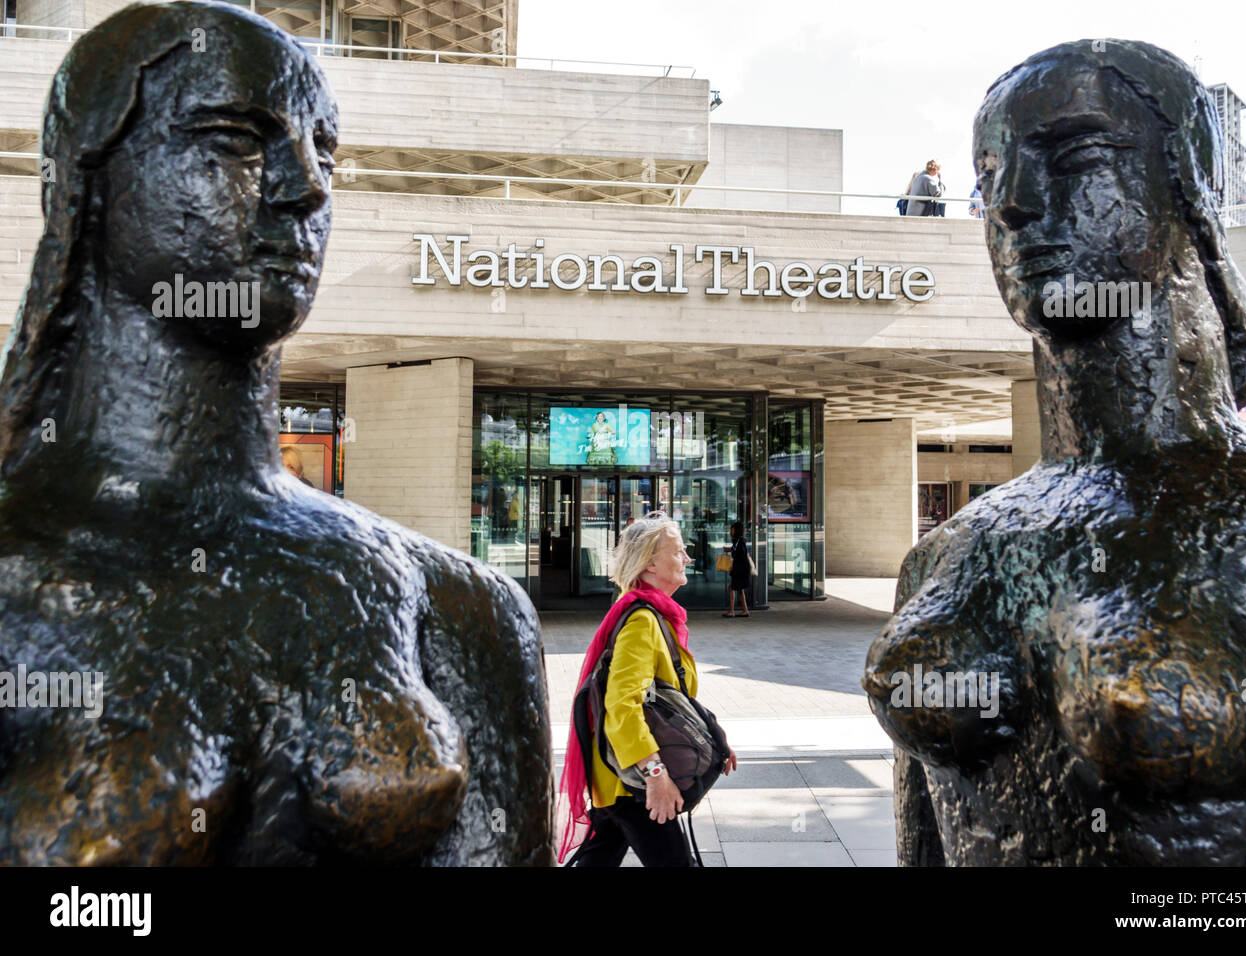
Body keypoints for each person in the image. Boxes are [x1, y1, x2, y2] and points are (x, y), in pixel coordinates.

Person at [0, 1, 551, 865]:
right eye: (232, 140)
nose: (308, 187)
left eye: (322, 150)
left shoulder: (460, 605)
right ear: (84, 181)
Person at [865, 40, 1246, 865]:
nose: (1015, 204)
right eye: (990, 178)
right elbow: (920, 838)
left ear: (1186, 193)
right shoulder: (942, 560)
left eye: (1078, 154)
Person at [558, 511, 737, 866]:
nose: (687, 558)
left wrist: (714, 736)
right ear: (649, 564)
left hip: (619, 780)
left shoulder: (653, 615)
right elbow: (622, 704)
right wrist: (655, 776)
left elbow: (670, 699)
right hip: (634, 785)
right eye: (677, 551)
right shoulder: (642, 621)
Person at [722, 521, 751, 617]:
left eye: (732, 529)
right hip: (741, 568)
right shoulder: (738, 540)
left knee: (732, 588)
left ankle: (731, 611)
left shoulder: (740, 541)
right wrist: (730, 549)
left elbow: (740, 553)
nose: (730, 531)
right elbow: (737, 550)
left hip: (740, 568)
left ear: (736, 530)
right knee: (739, 589)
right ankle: (745, 610)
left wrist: (732, 551)